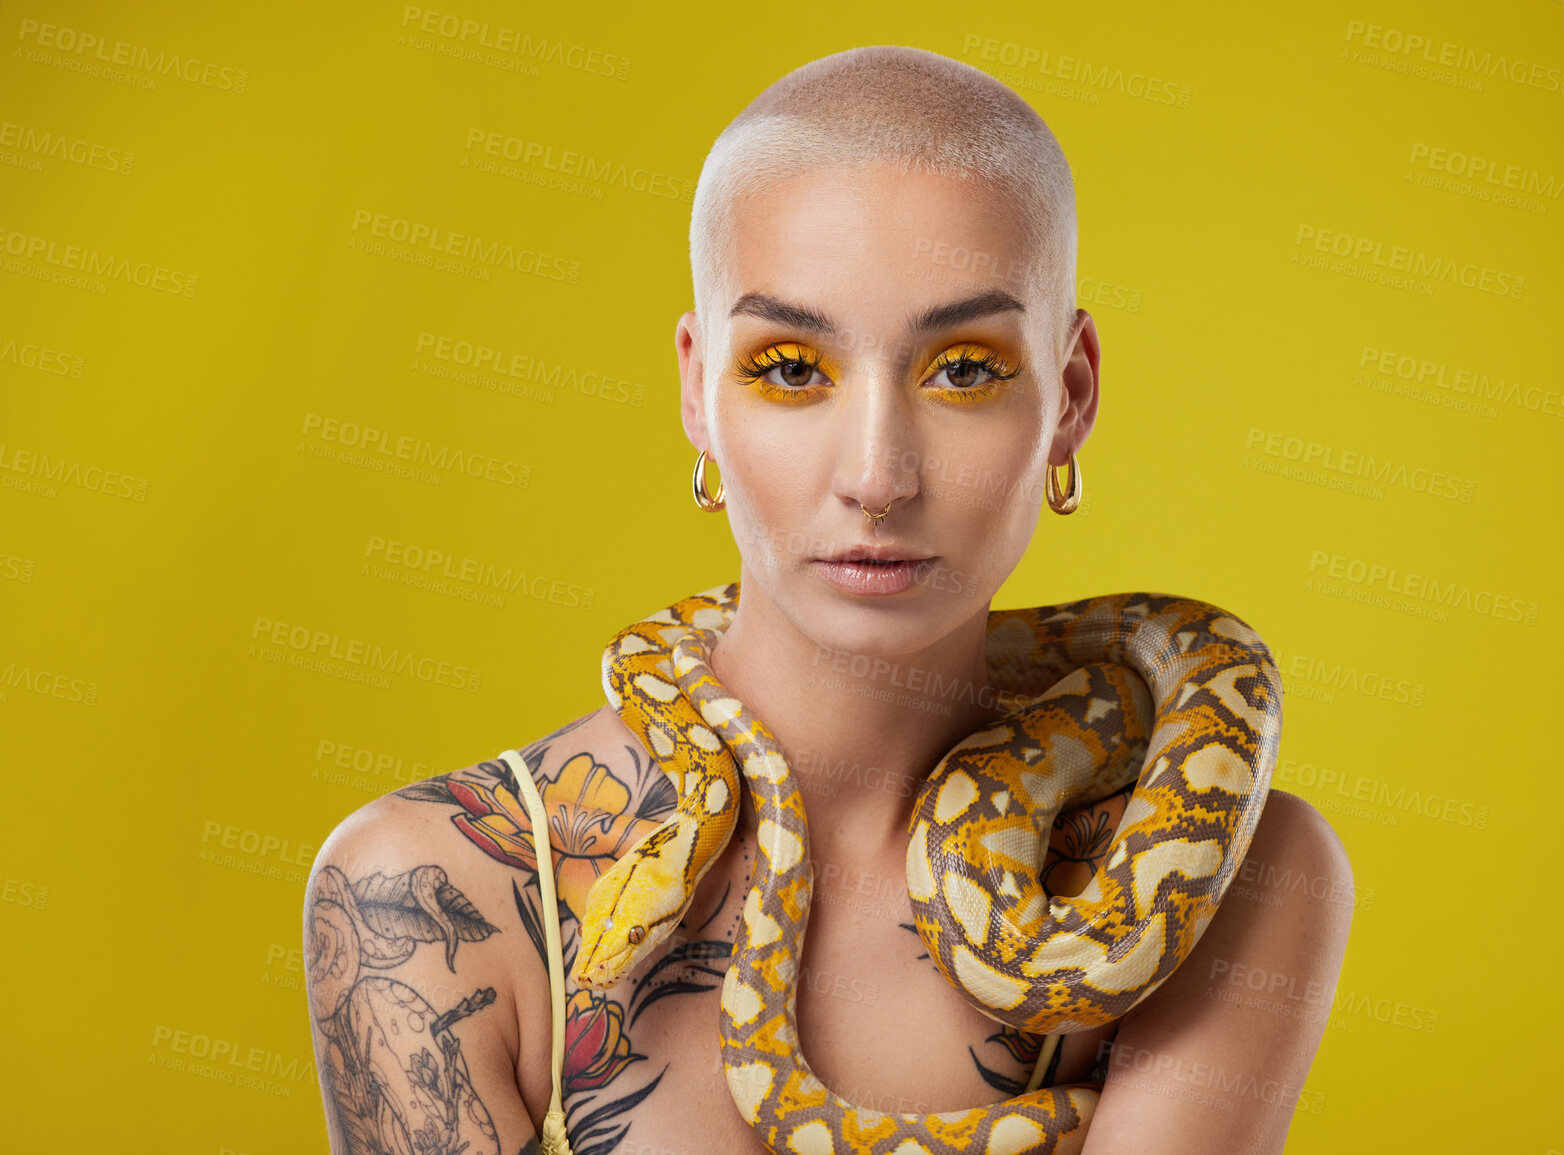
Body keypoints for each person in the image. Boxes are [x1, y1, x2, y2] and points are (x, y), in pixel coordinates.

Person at [304, 44, 1353, 1155]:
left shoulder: (1233, 867)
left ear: (1069, 398)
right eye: (792, 367)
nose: (877, 476)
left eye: (963, 367)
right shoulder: (414, 898)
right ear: (698, 396)